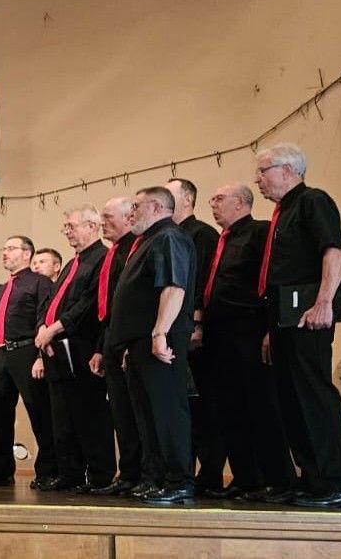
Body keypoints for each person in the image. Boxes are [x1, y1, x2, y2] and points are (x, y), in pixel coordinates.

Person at [255, 143, 341, 510]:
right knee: (290, 401)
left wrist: (324, 302)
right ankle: (313, 481)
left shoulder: (313, 201)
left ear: (288, 169)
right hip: (284, 318)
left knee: (314, 398)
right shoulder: (282, 213)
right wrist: (271, 329)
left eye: (263, 171)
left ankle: (338, 484)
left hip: (309, 316)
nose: (257, 179)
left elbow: (334, 250)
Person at [202, 183, 295, 502]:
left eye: (219, 199)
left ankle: (279, 480)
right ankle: (246, 478)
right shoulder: (221, 241)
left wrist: (271, 328)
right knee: (229, 409)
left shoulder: (260, 232)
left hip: (250, 329)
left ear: (240, 203)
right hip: (220, 333)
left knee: (262, 406)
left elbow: (273, 279)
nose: (212, 204)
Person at [109, 186, 197, 505]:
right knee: (147, 415)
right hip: (141, 342)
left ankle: (178, 481)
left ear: (157, 207)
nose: (131, 213)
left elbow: (174, 287)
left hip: (160, 339)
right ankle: (156, 478)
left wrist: (160, 333)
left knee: (166, 411)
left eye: (136, 206)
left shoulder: (169, 237)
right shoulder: (150, 240)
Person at [33, 206, 115, 492]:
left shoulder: (103, 258)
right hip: (57, 348)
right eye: (65, 227)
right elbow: (52, 302)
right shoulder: (72, 263)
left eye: (71, 226)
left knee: (89, 414)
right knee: (63, 416)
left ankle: (100, 475)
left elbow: (88, 304)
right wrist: (43, 329)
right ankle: (70, 473)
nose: (67, 231)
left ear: (92, 226)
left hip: (83, 347)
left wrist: (54, 329)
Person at [0, 235, 57, 489]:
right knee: (0, 416)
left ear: (27, 254)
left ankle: (48, 470)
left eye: (10, 248)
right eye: (4, 248)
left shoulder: (40, 282)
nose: (5, 253)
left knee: (39, 412)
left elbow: (44, 319)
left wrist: (40, 357)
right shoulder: (3, 289)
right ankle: (1, 469)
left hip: (27, 352)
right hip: (1, 355)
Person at [166, 177, 225, 497]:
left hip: (192, 330)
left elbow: (201, 279)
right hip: (175, 331)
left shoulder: (201, 234)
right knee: (182, 406)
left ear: (187, 199)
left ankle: (210, 475)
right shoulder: (169, 235)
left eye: (170, 195)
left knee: (203, 406)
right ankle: (183, 472)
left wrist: (197, 321)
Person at [85, 197, 148, 497]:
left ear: (127, 218)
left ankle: (142, 474)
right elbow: (107, 306)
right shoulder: (114, 253)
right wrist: (101, 347)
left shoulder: (135, 249)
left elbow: (131, 303)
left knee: (136, 414)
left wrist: (123, 343)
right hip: (111, 339)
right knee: (120, 413)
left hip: (128, 339)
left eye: (108, 217)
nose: (102, 223)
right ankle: (128, 474)